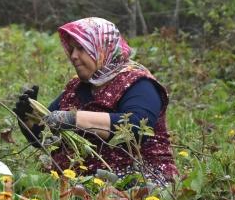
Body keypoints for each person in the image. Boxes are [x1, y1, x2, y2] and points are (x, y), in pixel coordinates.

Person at [14, 17, 178, 182]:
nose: (74, 56)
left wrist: (73, 119)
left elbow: (136, 127)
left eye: (81, 48)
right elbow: (46, 140)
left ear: (102, 47)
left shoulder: (137, 83)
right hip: (77, 181)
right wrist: (28, 120)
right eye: (71, 49)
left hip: (138, 179)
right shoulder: (77, 88)